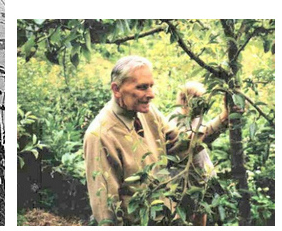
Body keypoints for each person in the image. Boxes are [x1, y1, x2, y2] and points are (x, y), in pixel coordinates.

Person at [83, 56, 229, 225]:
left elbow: (180, 146)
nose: (151, 94)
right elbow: (106, 210)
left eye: (151, 86)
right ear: (116, 89)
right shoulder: (100, 135)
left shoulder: (148, 112)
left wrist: (224, 119)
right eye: (142, 87)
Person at [167, 81, 218, 226]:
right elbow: (185, 146)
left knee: (201, 211)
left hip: (202, 175)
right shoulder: (175, 120)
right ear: (187, 99)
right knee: (187, 214)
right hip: (187, 178)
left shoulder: (196, 117)